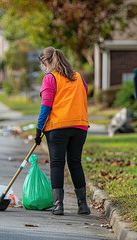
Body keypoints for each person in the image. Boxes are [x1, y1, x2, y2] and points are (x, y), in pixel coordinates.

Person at [35, 46, 91, 216]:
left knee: (57, 164)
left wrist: (38, 130)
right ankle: (83, 205)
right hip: (80, 126)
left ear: (45, 62)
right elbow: (84, 93)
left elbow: (46, 106)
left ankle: (58, 205)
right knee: (75, 163)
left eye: (43, 63)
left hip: (58, 127)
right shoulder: (78, 77)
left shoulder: (50, 78)